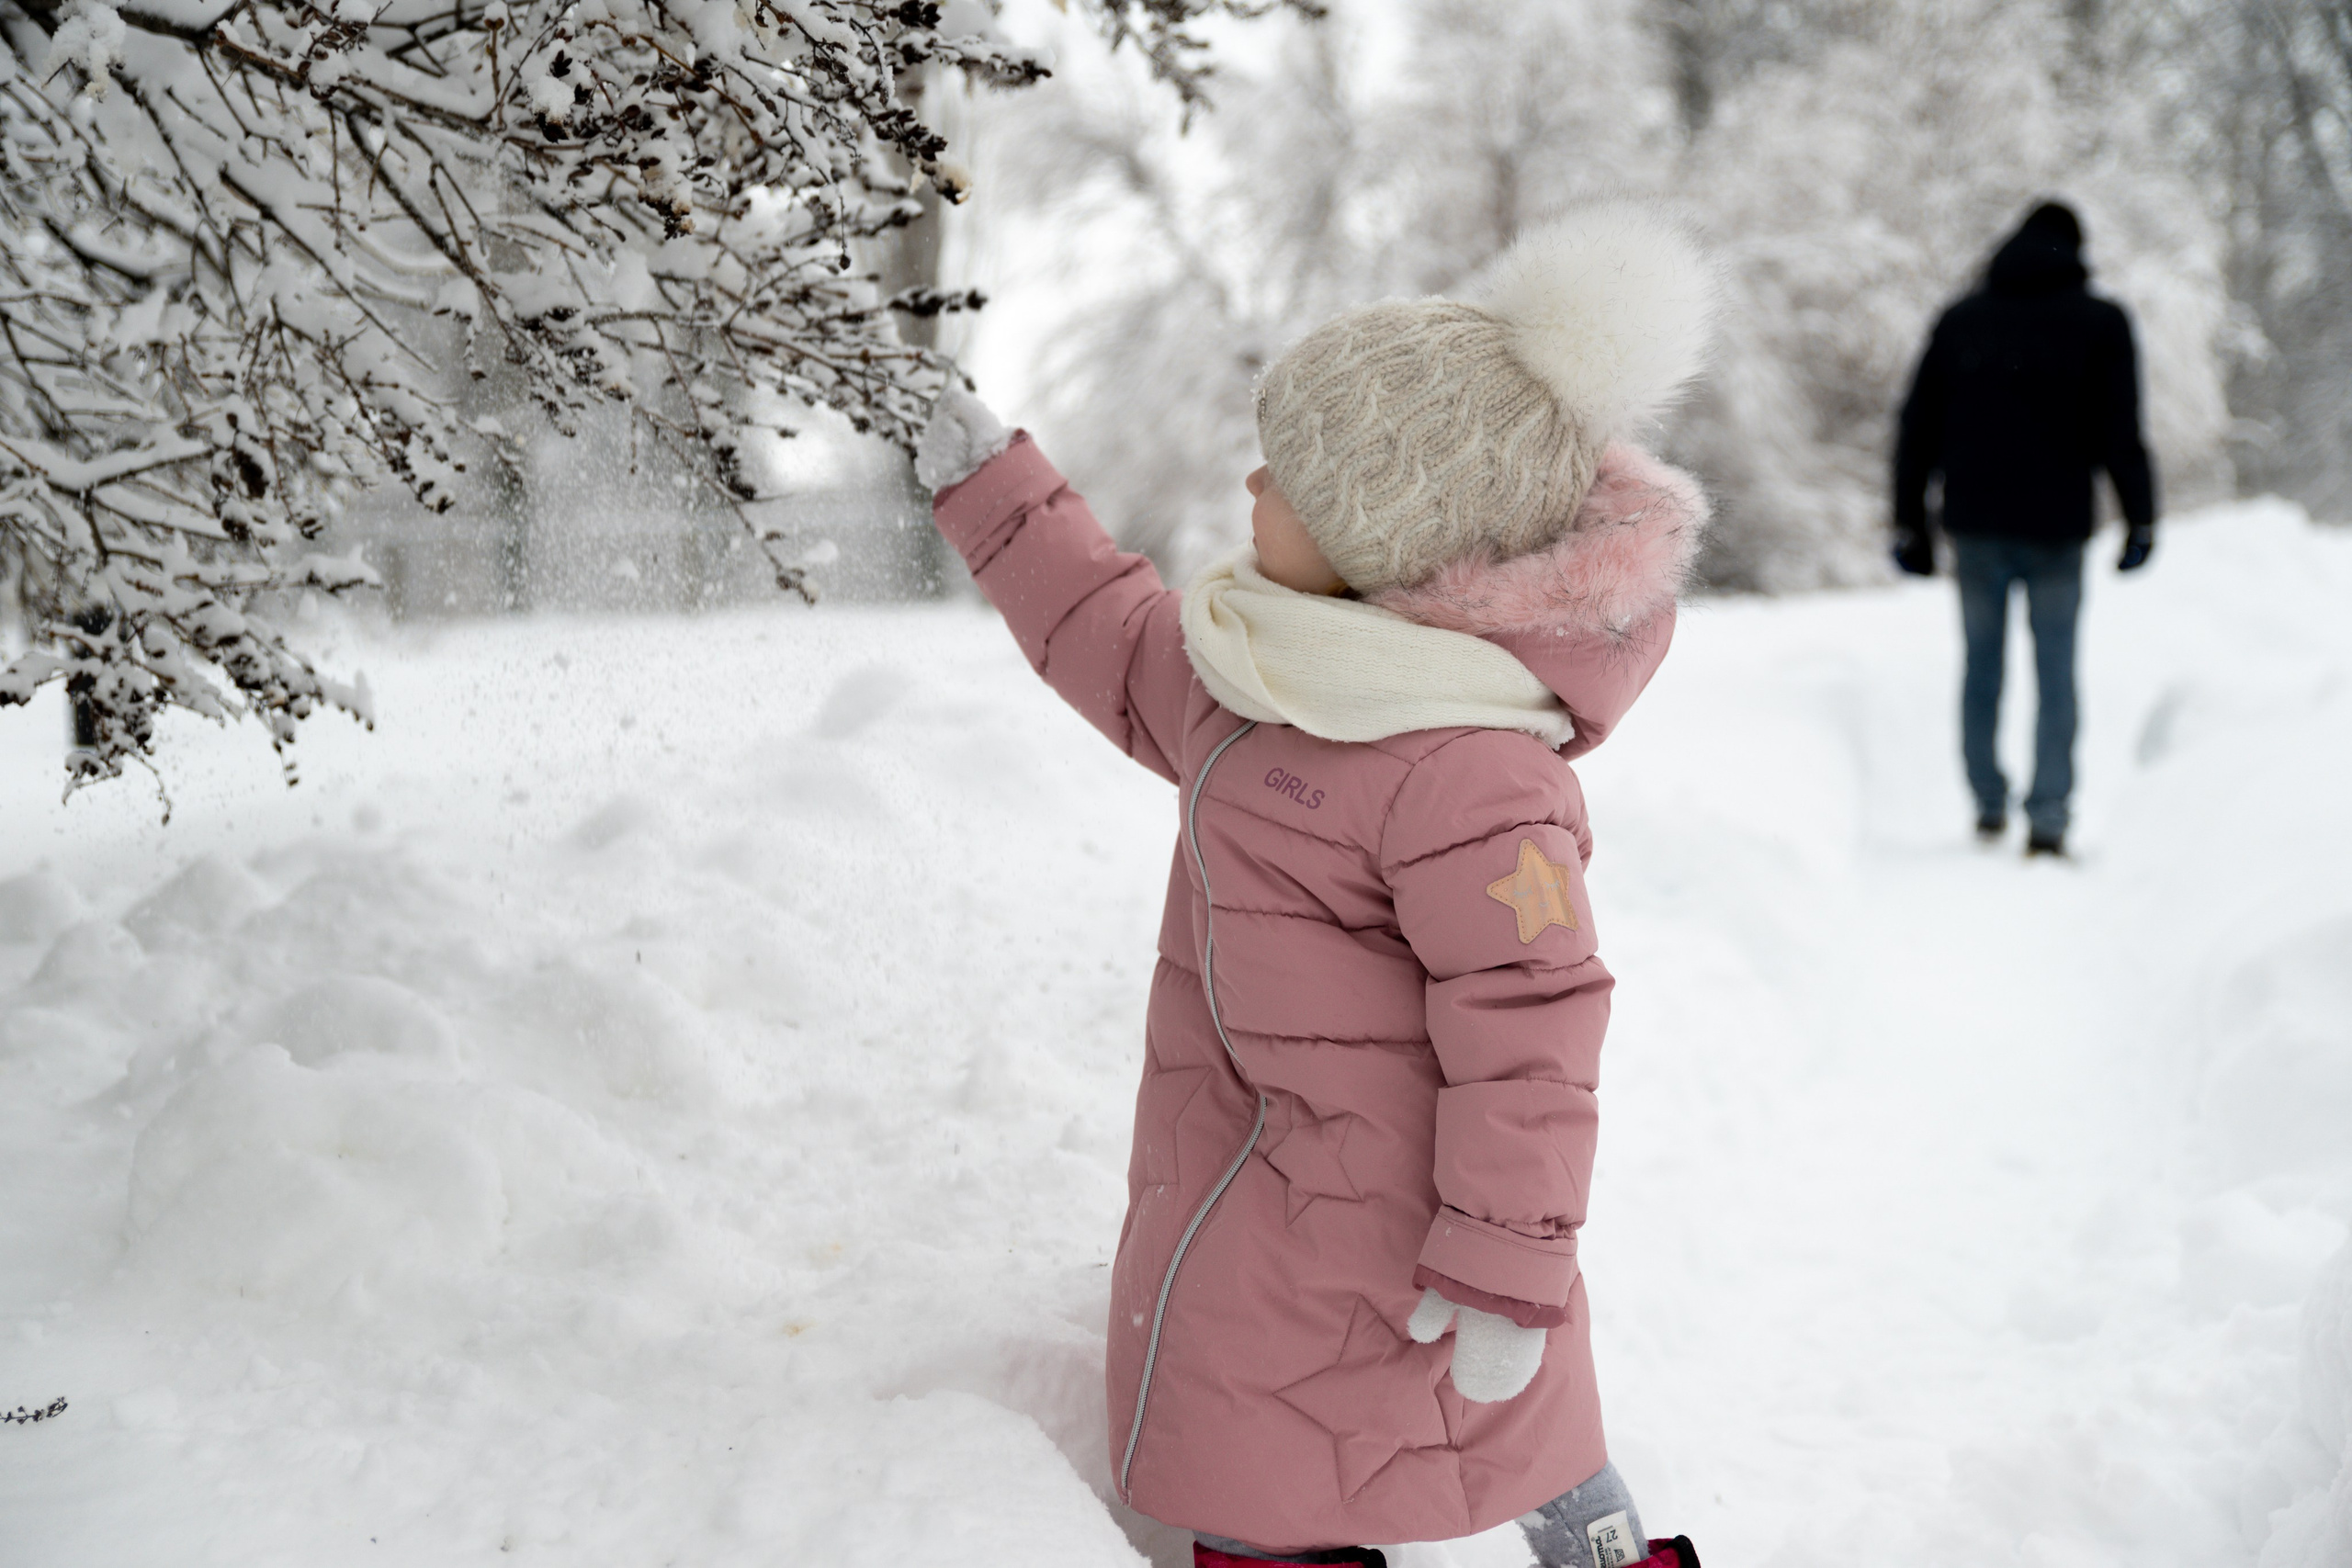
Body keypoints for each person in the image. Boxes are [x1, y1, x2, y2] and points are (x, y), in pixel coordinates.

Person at [912, 204, 1713, 1568]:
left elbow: (1535, 1038)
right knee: (1368, 1412)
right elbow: (1102, 625)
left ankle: (1591, 1542)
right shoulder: (1257, 681)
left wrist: (1510, 1261)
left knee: (1379, 1417)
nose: (1250, 490)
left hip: (1405, 1216)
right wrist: (992, 482)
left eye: (1285, 476)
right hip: (1261, 1171)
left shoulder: (1472, 771)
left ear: (1379, 539)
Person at [1892, 199, 2158, 857]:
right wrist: (2141, 517)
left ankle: (1987, 803)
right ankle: (2048, 816)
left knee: (1982, 668)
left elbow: (1916, 428)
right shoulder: (2101, 322)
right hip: (2058, 530)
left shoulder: (1961, 320)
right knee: (2057, 671)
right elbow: (2121, 431)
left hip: (1975, 526)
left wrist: (1910, 523)